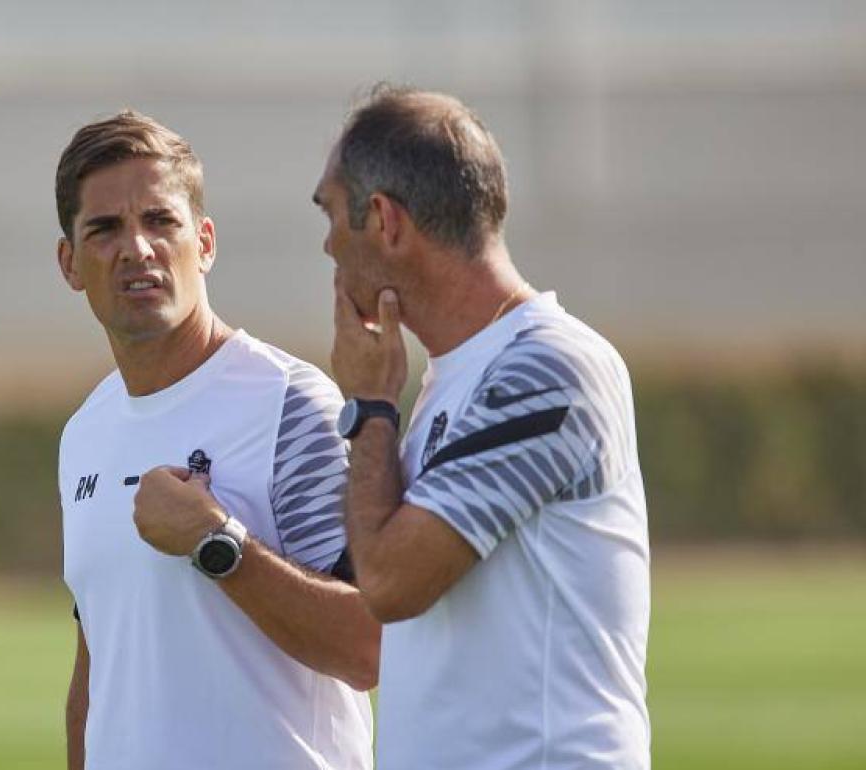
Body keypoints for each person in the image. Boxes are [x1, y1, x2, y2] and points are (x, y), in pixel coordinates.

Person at [316, 85, 651, 769]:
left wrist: (371, 407)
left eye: (330, 214)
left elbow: (389, 584)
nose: (326, 246)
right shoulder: (457, 375)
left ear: (384, 220)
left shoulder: (548, 368)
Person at [55, 111, 377, 770]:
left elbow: (368, 647)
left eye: (160, 221)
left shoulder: (289, 403)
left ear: (204, 243)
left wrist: (217, 541)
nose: (137, 248)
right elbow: (100, 666)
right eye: (105, 229)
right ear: (70, 263)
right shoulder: (84, 433)